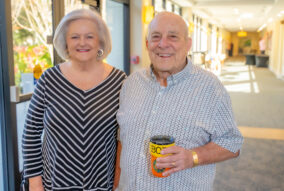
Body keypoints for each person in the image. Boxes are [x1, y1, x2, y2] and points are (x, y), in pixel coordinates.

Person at [115, 12, 243, 190]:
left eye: (173, 37)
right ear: (147, 44)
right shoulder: (131, 84)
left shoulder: (210, 88)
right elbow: (123, 141)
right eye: (156, 37)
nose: (163, 44)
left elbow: (232, 143)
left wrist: (193, 157)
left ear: (188, 44)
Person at [22, 8, 126, 191]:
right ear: (65, 42)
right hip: (52, 184)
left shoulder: (119, 81)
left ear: (101, 40)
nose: (82, 43)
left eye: (89, 36)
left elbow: (127, 136)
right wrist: (35, 182)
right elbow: (30, 133)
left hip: (101, 185)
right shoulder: (49, 79)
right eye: (75, 37)